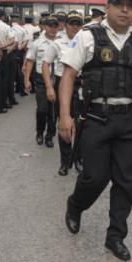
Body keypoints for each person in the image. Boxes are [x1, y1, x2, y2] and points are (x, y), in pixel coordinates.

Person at [57, 0, 132, 261]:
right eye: (119, 5)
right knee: (95, 177)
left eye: (130, 6)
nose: (125, 10)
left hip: (128, 120)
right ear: (108, 7)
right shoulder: (88, 37)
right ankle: (76, 204)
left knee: (127, 182)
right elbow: (68, 75)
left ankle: (115, 236)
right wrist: (64, 116)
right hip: (97, 118)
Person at [46, 11, 84, 175]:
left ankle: (79, 159)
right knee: (64, 122)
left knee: (82, 124)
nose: (75, 27)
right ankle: (65, 161)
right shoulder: (57, 44)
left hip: (82, 85)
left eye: (78, 24)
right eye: (72, 23)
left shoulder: (87, 43)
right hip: (62, 84)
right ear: (66, 25)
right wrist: (48, 86)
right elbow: (45, 64)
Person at [23, 16, 60, 147]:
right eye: (50, 26)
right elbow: (30, 61)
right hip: (41, 81)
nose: (53, 29)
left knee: (54, 112)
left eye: (55, 26)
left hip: (57, 80)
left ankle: (50, 135)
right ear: (45, 27)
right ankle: (39, 132)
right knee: (42, 110)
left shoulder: (62, 41)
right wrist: (27, 79)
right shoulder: (37, 42)